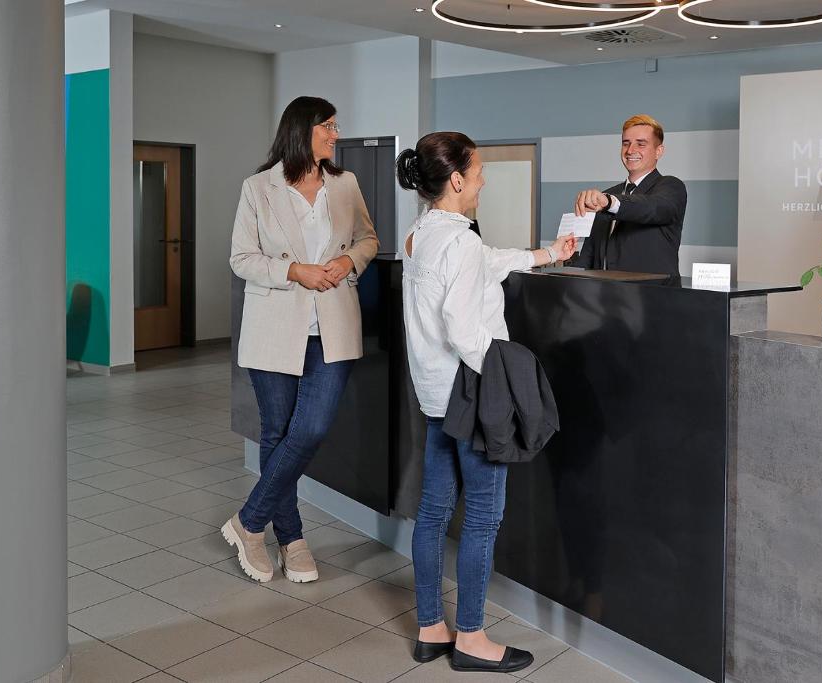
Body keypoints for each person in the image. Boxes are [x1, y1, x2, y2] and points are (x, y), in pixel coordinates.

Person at [396, 132, 577, 674]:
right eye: (477, 172)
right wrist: (507, 367)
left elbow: (482, 263)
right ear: (456, 180)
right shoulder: (460, 241)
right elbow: (461, 326)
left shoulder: (421, 233)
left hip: (434, 393)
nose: (482, 180)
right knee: (481, 518)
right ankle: (471, 639)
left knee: (432, 513)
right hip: (472, 393)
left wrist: (546, 254)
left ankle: (432, 628)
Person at [222, 96, 379, 584]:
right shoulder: (258, 188)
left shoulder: (345, 183)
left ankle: (248, 522)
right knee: (276, 433)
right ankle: (291, 538)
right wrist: (294, 270)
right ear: (302, 130)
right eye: (328, 126)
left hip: (332, 328)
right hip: (275, 328)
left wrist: (348, 262)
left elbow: (369, 239)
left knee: (309, 430)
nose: (335, 135)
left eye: (335, 126)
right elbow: (241, 258)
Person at [570, 114, 687, 275]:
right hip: (604, 295)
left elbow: (652, 208)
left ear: (658, 151)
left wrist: (610, 203)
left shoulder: (671, 187)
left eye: (641, 144)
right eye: (626, 143)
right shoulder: (607, 195)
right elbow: (589, 254)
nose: (630, 150)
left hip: (651, 297)